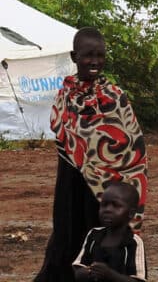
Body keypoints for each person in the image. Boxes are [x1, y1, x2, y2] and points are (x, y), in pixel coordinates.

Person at [36, 27, 149, 282]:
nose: (95, 61)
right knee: (67, 234)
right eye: (88, 55)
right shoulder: (64, 95)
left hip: (106, 187)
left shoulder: (115, 96)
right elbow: (62, 133)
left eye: (100, 55)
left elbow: (133, 143)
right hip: (71, 181)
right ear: (75, 57)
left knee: (102, 234)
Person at [72, 182, 147, 282]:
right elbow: (78, 270)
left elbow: (138, 280)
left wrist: (109, 275)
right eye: (104, 205)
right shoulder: (93, 235)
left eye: (116, 206)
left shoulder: (133, 242)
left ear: (131, 213)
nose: (107, 210)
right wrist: (90, 271)